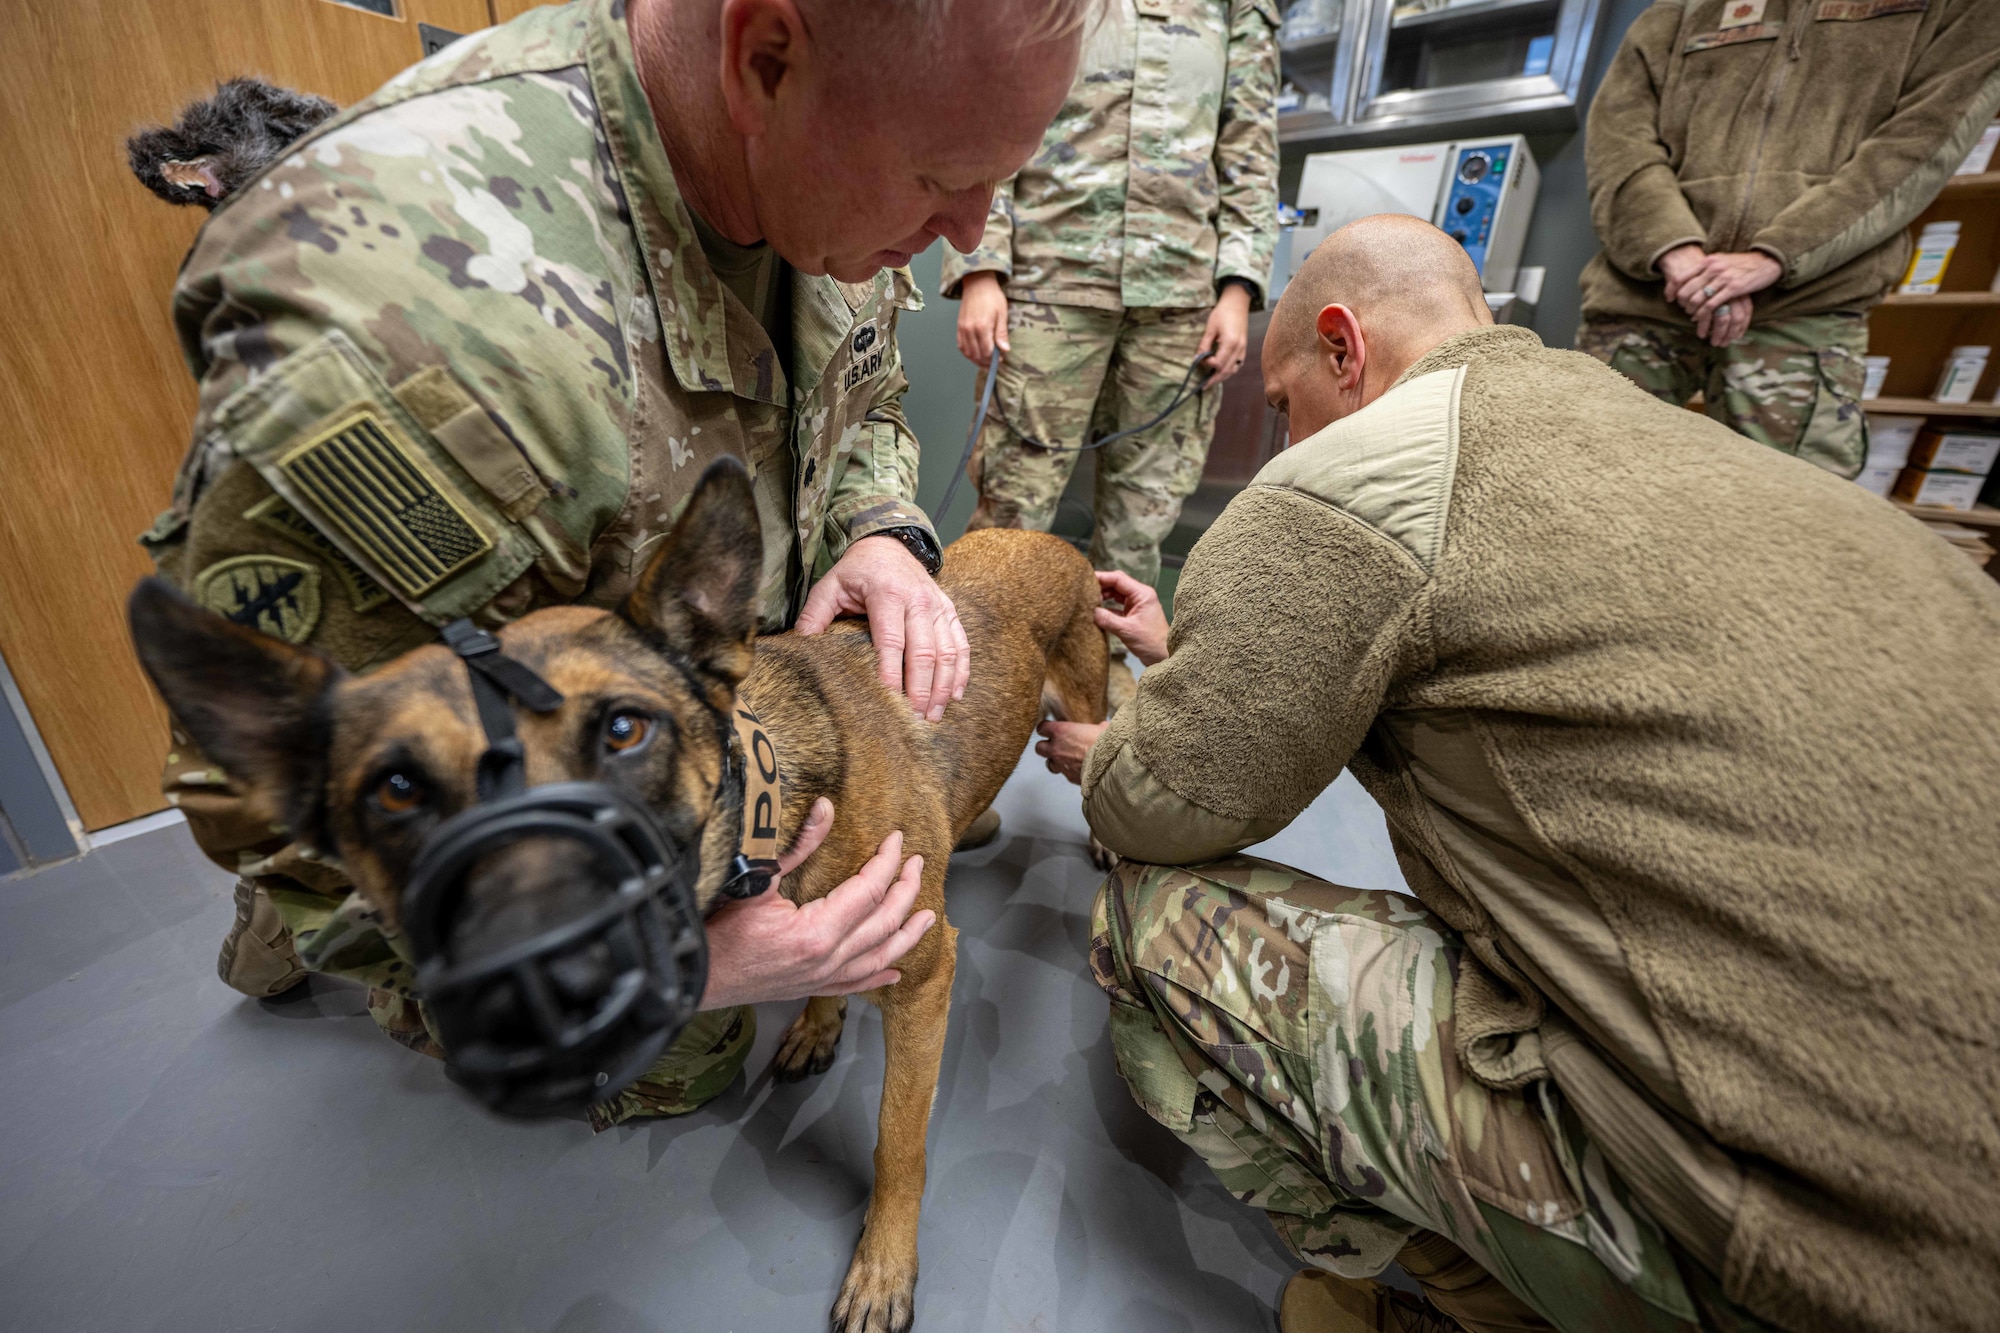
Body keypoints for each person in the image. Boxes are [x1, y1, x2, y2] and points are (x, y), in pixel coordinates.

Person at [1039, 213, 2000, 1332]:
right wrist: (1200, 653)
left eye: (1285, 401)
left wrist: (1115, 745)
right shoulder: (1652, 428)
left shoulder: (1347, 476)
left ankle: (1473, 1305)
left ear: (1343, 348)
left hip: (1832, 1253)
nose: (1281, 435)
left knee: (1149, 922)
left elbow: (1156, 805)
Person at [140, 0, 1087, 1124]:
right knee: (673, 1055)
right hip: (487, 763)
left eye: (996, 185)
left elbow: (866, 388)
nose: (973, 235)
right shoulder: (392, 328)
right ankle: (308, 937)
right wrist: (684, 967)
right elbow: (238, 778)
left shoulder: (821, 162)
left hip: (699, 697)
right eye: (942, 179)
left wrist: (879, 526)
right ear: (764, 59)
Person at [943, 0, 1279, 708]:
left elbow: (1249, 142)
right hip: (1047, 280)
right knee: (1011, 515)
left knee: (1139, 528)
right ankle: (973, 709)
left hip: (1182, 298)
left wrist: (1239, 287)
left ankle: (1112, 748)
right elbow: (987, 100)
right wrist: (981, 266)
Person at [1576, 0, 2000, 476]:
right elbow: (1619, 135)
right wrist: (1675, 249)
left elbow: (1919, 145)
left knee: (1791, 513)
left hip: (1806, 305)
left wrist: (1774, 257)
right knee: (1578, 477)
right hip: (1647, 295)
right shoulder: (1682, 7)